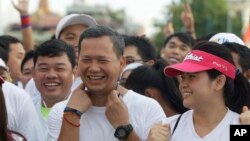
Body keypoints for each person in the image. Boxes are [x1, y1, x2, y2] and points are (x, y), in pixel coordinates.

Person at [48, 25, 166, 141]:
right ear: (78, 62)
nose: (94, 68)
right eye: (86, 60)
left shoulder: (148, 108)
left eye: (103, 60)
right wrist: (72, 115)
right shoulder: (61, 111)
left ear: (121, 63)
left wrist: (124, 129)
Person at [147, 41, 250, 141]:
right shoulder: (167, 129)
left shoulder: (240, 128)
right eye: (182, 77)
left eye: (191, 76)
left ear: (219, 82)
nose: (183, 84)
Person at [32, 39, 76, 139]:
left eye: (59, 68)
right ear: (33, 73)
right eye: (43, 69)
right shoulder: (25, 109)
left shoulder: (84, 111)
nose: (51, 75)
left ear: (75, 72)